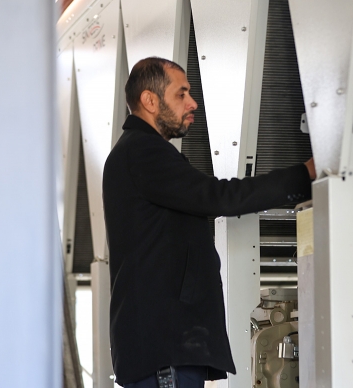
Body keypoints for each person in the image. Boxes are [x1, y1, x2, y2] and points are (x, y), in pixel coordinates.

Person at [102, 57, 315, 387]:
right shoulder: (143, 151)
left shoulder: (136, 152)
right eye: (181, 94)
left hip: (165, 351)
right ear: (149, 100)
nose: (192, 103)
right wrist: (305, 174)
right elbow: (218, 197)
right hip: (165, 351)